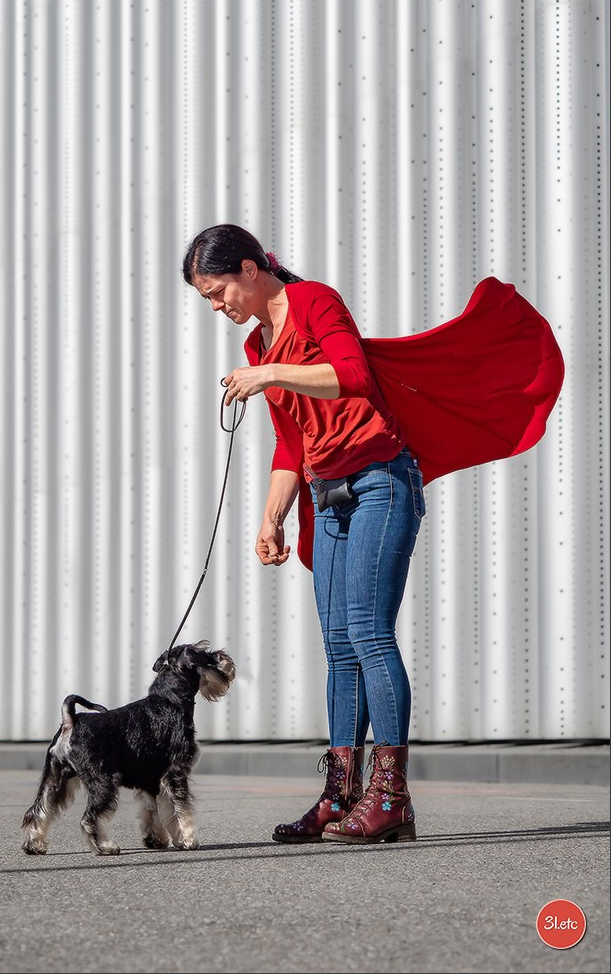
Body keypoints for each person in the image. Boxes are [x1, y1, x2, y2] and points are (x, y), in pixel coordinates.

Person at [181, 223, 564, 846]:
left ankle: (391, 799)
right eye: (208, 300)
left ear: (249, 269)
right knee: (338, 647)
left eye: (218, 292)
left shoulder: (314, 301)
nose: (218, 306)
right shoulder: (259, 346)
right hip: (327, 494)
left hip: (381, 480)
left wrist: (271, 373)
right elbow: (291, 443)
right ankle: (340, 794)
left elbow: (352, 375)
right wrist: (273, 516)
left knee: (368, 632)